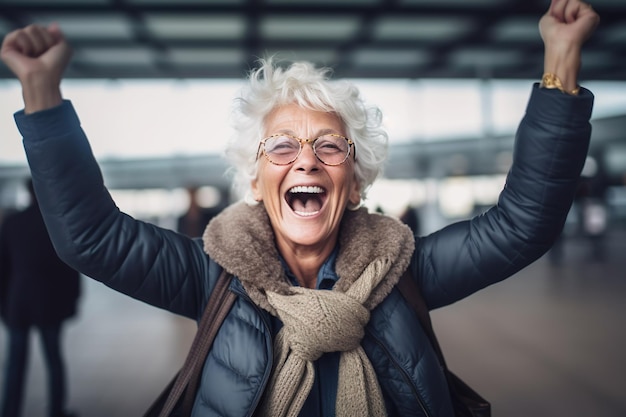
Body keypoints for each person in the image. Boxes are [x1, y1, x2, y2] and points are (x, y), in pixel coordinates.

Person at [0, 0, 598, 415]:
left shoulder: (403, 273)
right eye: (282, 146)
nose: (306, 161)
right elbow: (93, 239)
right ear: (257, 182)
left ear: (356, 184)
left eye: (329, 146)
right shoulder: (213, 278)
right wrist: (41, 94)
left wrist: (561, 61)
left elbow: (522, 225)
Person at [0, 180, 81, 417]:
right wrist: (73, 299)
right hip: (50, 303)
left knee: (15, 364)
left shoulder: (12, 223)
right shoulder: (57, 225)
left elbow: (2, 269)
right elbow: (70, 267)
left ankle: (9, 411)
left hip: (18, 302)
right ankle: (56, 410)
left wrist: (3, 305)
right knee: (54, 360)